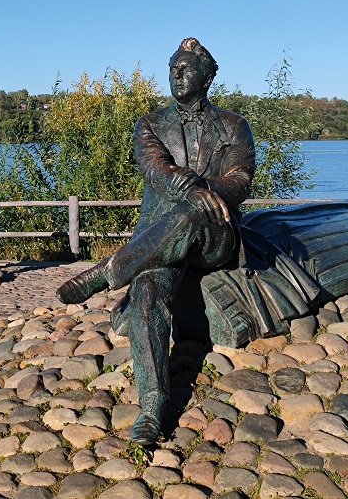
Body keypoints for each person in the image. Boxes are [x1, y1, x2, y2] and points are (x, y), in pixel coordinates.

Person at [56, 37, 256, 445]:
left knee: (192, 212)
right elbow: (155, 169)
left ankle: (109, 272)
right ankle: (152, 407)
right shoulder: (150, 124)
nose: (176, 75)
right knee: (148, 294)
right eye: (171, 69)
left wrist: (204, 192)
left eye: (185, 68)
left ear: (207, 77)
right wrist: (192, 190)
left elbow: (241, 180)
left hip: (214, 236)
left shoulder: (235, 126)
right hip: (161, 239)